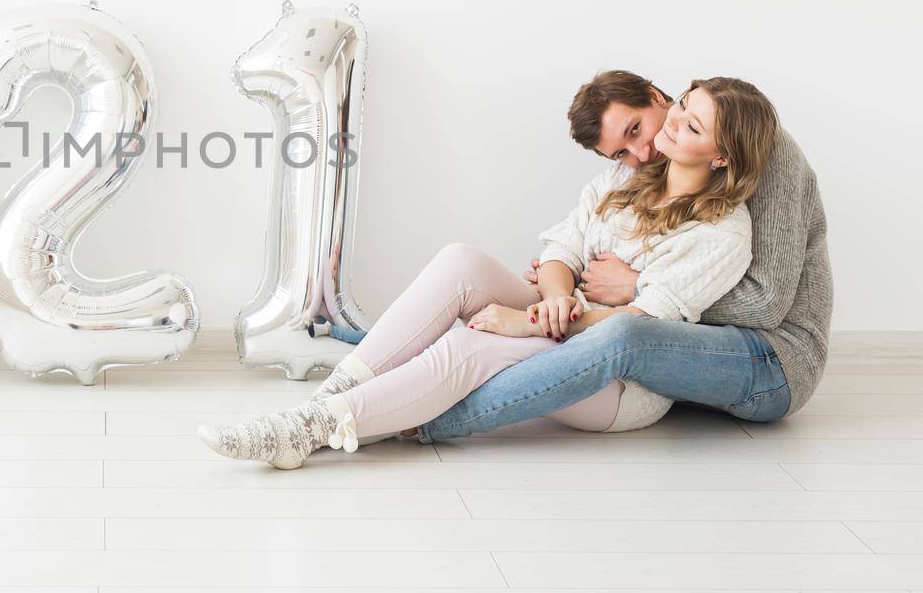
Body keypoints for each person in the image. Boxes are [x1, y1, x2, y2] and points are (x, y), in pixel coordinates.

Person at [198, 76, 779, 469]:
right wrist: (549, 304)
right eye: (681, 107)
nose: (669, 130)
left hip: (622, 385)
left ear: (722, 155)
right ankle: (333, 399)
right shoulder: (624, 183)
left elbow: (642, 334)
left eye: (693, 127)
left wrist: (531, 322)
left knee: (473, 345)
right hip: (571, 319)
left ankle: (305, 433)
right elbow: (561, 252)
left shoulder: (722, 233)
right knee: (461, 261)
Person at [402, 69, 832, 447]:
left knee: (626, 332)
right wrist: (565, 280)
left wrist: (639, 287)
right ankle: (387, 384)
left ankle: (430, 420)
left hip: (773, 357)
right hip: (677, 339)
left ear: (656, 98)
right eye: (621, 154)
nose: (639, 157)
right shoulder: (663, 159)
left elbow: (767, 302)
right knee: (478, 277)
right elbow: (580, 243)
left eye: (634, 132)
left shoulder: (767, 147)